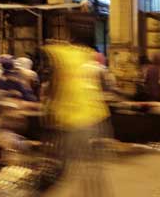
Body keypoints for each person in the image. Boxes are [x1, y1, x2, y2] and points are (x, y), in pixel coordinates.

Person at [41, 43, 112, 196]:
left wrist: (50, 115)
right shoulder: (84, 61)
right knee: (91, 167)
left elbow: (55, 95)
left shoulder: (61, 63)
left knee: (70, 167)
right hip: (95, 119)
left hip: (75, 123)